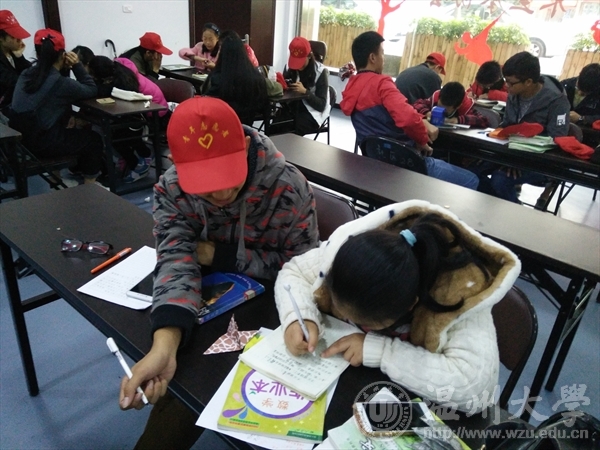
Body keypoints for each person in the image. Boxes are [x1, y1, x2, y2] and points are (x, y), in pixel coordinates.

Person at [118, 97, 319, 449]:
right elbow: (176, 262)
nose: (222, 193)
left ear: (244, 147)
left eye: (229, 177)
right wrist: (165, 344)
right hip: (208, 304)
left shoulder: (288, 188)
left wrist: (219, 255)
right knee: (180, 389)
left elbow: (305, 269)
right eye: (205, 185)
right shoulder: (172, 189)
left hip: (278, 310)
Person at [274, 200, 521, 412]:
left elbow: (475, 389)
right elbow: (294, 272)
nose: (348, 320)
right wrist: (299, 317)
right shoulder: (347, 252)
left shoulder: (456, 296)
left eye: (364, 323)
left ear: (411, 304)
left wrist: (379, 350)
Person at [340, 31, 479, 190]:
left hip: (374, 166)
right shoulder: (381, 84)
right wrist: (422, 140)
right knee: (472, 180)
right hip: (404, 165)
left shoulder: (351, 87)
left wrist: (421, 122)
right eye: (382, 53)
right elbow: (407, 118)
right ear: (372, 57)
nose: (384, 59)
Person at [11, 28, 103, 185]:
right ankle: (90, 189)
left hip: (21, 143)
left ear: (38, 53)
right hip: (41, 145)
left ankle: (56, 180)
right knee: (93, 140)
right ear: (63, 55)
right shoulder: (61, 83)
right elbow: (91, 89)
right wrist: (76, 66)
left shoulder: (26, 74)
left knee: (59, 124)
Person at [483, 51, 570, 206]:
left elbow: (557, 139)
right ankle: (499, 209)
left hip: (541, 162)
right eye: (505, 81)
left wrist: (520, 160)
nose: (506, 86)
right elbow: (507, 125)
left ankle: (515, 213)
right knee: (472, 170)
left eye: (510, 83)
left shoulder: (557, 101)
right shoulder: (514, 93)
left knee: (500, 180)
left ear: (528, 82)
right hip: (511, 154)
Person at [200, 31, 278, 125]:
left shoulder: (216, 78)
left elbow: (204, 94)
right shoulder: (254, 76)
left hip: (218, 128)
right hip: (244, 128)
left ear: (222, 54)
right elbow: (278, 89)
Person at [281, 36, 330, 136]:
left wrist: (305, 92)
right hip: (294, 107)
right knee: (276, 125)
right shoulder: (291, 69)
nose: (298, 67)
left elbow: (321, 105)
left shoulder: (320, 72)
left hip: (312, 112)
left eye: (301, 62)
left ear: (309, 56)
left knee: (291, 130)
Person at [414, 81, 490, 128]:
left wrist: (457, 120)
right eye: (440, 107)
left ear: (458, 106)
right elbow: (417, 104)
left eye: (446, 110)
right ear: (439, 97)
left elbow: (483, 120)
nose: (442, 111)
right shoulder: (435, 98)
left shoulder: (466, 107)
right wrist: (427, 113)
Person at [0, 10, 31, 112]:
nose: (19, 39)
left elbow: (30, 73)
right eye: (13, 36)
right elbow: (16, 82)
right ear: (1, 38)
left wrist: (20, 57)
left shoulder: (12, 52)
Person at [562, 63, 600, 145]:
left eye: (584, 93)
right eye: (578, 88)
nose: (579, 93)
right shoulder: (564, 85)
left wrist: (582, 118)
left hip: (589, 138)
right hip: (559, 133)